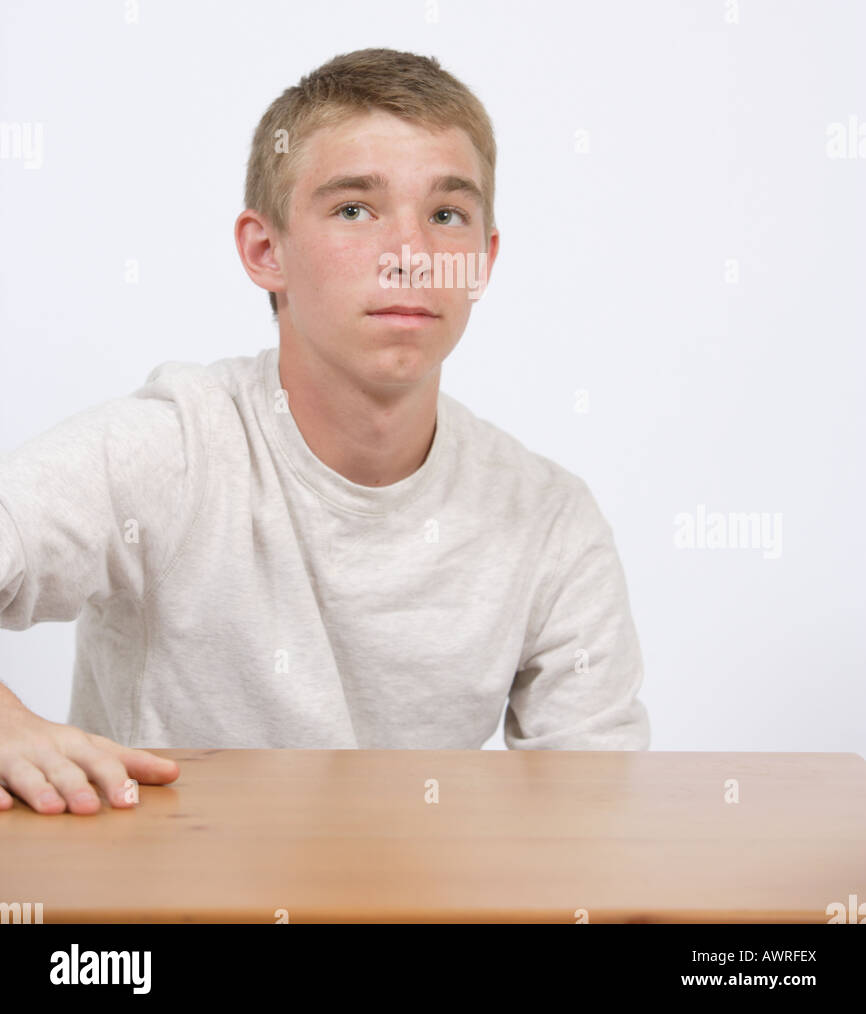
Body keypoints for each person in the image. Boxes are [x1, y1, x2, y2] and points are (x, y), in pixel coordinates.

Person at [0, 47, 649, 816]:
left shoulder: (550, 521)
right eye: (354, 210)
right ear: (265, 251)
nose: (412, 258)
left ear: (481, 261)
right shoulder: (170, 451)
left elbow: (599, 818)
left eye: (446, 215)